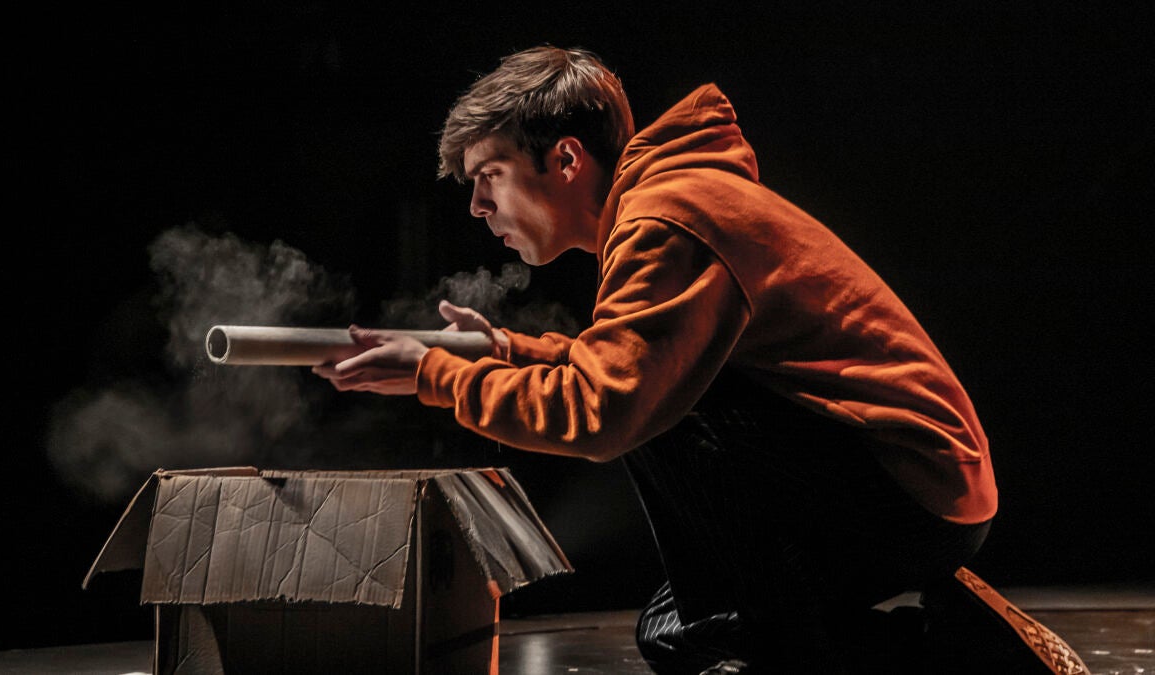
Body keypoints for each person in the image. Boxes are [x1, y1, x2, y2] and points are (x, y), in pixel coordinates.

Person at [312, 46, 1087, 674]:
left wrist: (438, 374)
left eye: (490, 178)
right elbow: (623, 360)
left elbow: (606, 407)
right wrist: (503, 351)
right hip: (907, 485)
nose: (478, 207)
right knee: (674, 630)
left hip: (909, 491)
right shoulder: (665, 205)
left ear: (567, 159)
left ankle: (939, 658)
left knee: (661, 423)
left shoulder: (668, 219)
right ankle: (938, 651)